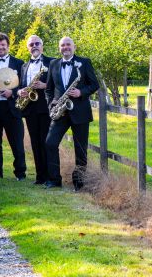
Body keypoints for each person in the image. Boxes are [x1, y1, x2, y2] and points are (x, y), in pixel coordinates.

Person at [45, 36, 99, 190]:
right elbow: (49, 89)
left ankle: (79, 184)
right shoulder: (53, 64)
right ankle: (54, 180)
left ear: (74, 47)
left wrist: (81, 92)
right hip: (60, 112)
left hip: (80, 112)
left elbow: (94, 84)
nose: (65, 47)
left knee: (80, 149)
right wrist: (51, 104)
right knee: (50, 143)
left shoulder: (84, 62)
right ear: (59, 48)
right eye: (62, 45)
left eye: (68, 45)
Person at [0, 32, 26, 181]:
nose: (0, 47)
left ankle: (20, 173)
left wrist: (13, 92)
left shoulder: (19, 63)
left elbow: (23, 85)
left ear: (8, 46)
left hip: (12, 108)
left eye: (3, 45)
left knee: (17, 142)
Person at [16, 35, 53, 185]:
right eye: (31, 44)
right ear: (28, 47)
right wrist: (20, 92)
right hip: (30, 109)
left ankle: (50, 176)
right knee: (35, 142)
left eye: (37, 43)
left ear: (42, 46)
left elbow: (59, 82)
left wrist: (45, 86)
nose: (34, 46)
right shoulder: (24, 66)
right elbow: (20, 85)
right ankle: (40, 177)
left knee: (46, 142)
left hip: (45, 107)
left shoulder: (52, 62)